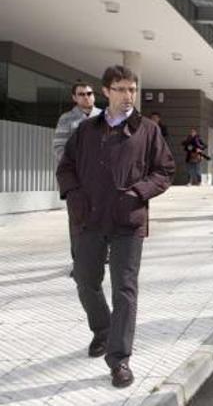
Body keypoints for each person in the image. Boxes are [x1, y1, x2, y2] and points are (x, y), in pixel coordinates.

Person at [56, 65, 175, 388]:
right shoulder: (86, 130)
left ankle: (119, 359)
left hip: (127, 220)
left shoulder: (147, 130)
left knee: (124, 290)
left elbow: (164, 171)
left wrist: (138, 193)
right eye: (121, 89)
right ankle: (102, 331)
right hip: (90, 219)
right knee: (85, 280)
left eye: (132, 90)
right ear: (106, 91)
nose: (128, 96)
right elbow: (65, 167)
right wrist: (75, 196)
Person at [53, 82, 102, 267]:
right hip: (78, 180)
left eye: (89, 93)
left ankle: (101, 257)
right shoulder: (66, 119)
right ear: (74, 97)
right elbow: (59, 148)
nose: (86, 97)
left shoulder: (105, 117)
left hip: (102, 180)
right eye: (81, 94)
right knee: (78, 222)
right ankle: (80, 263)